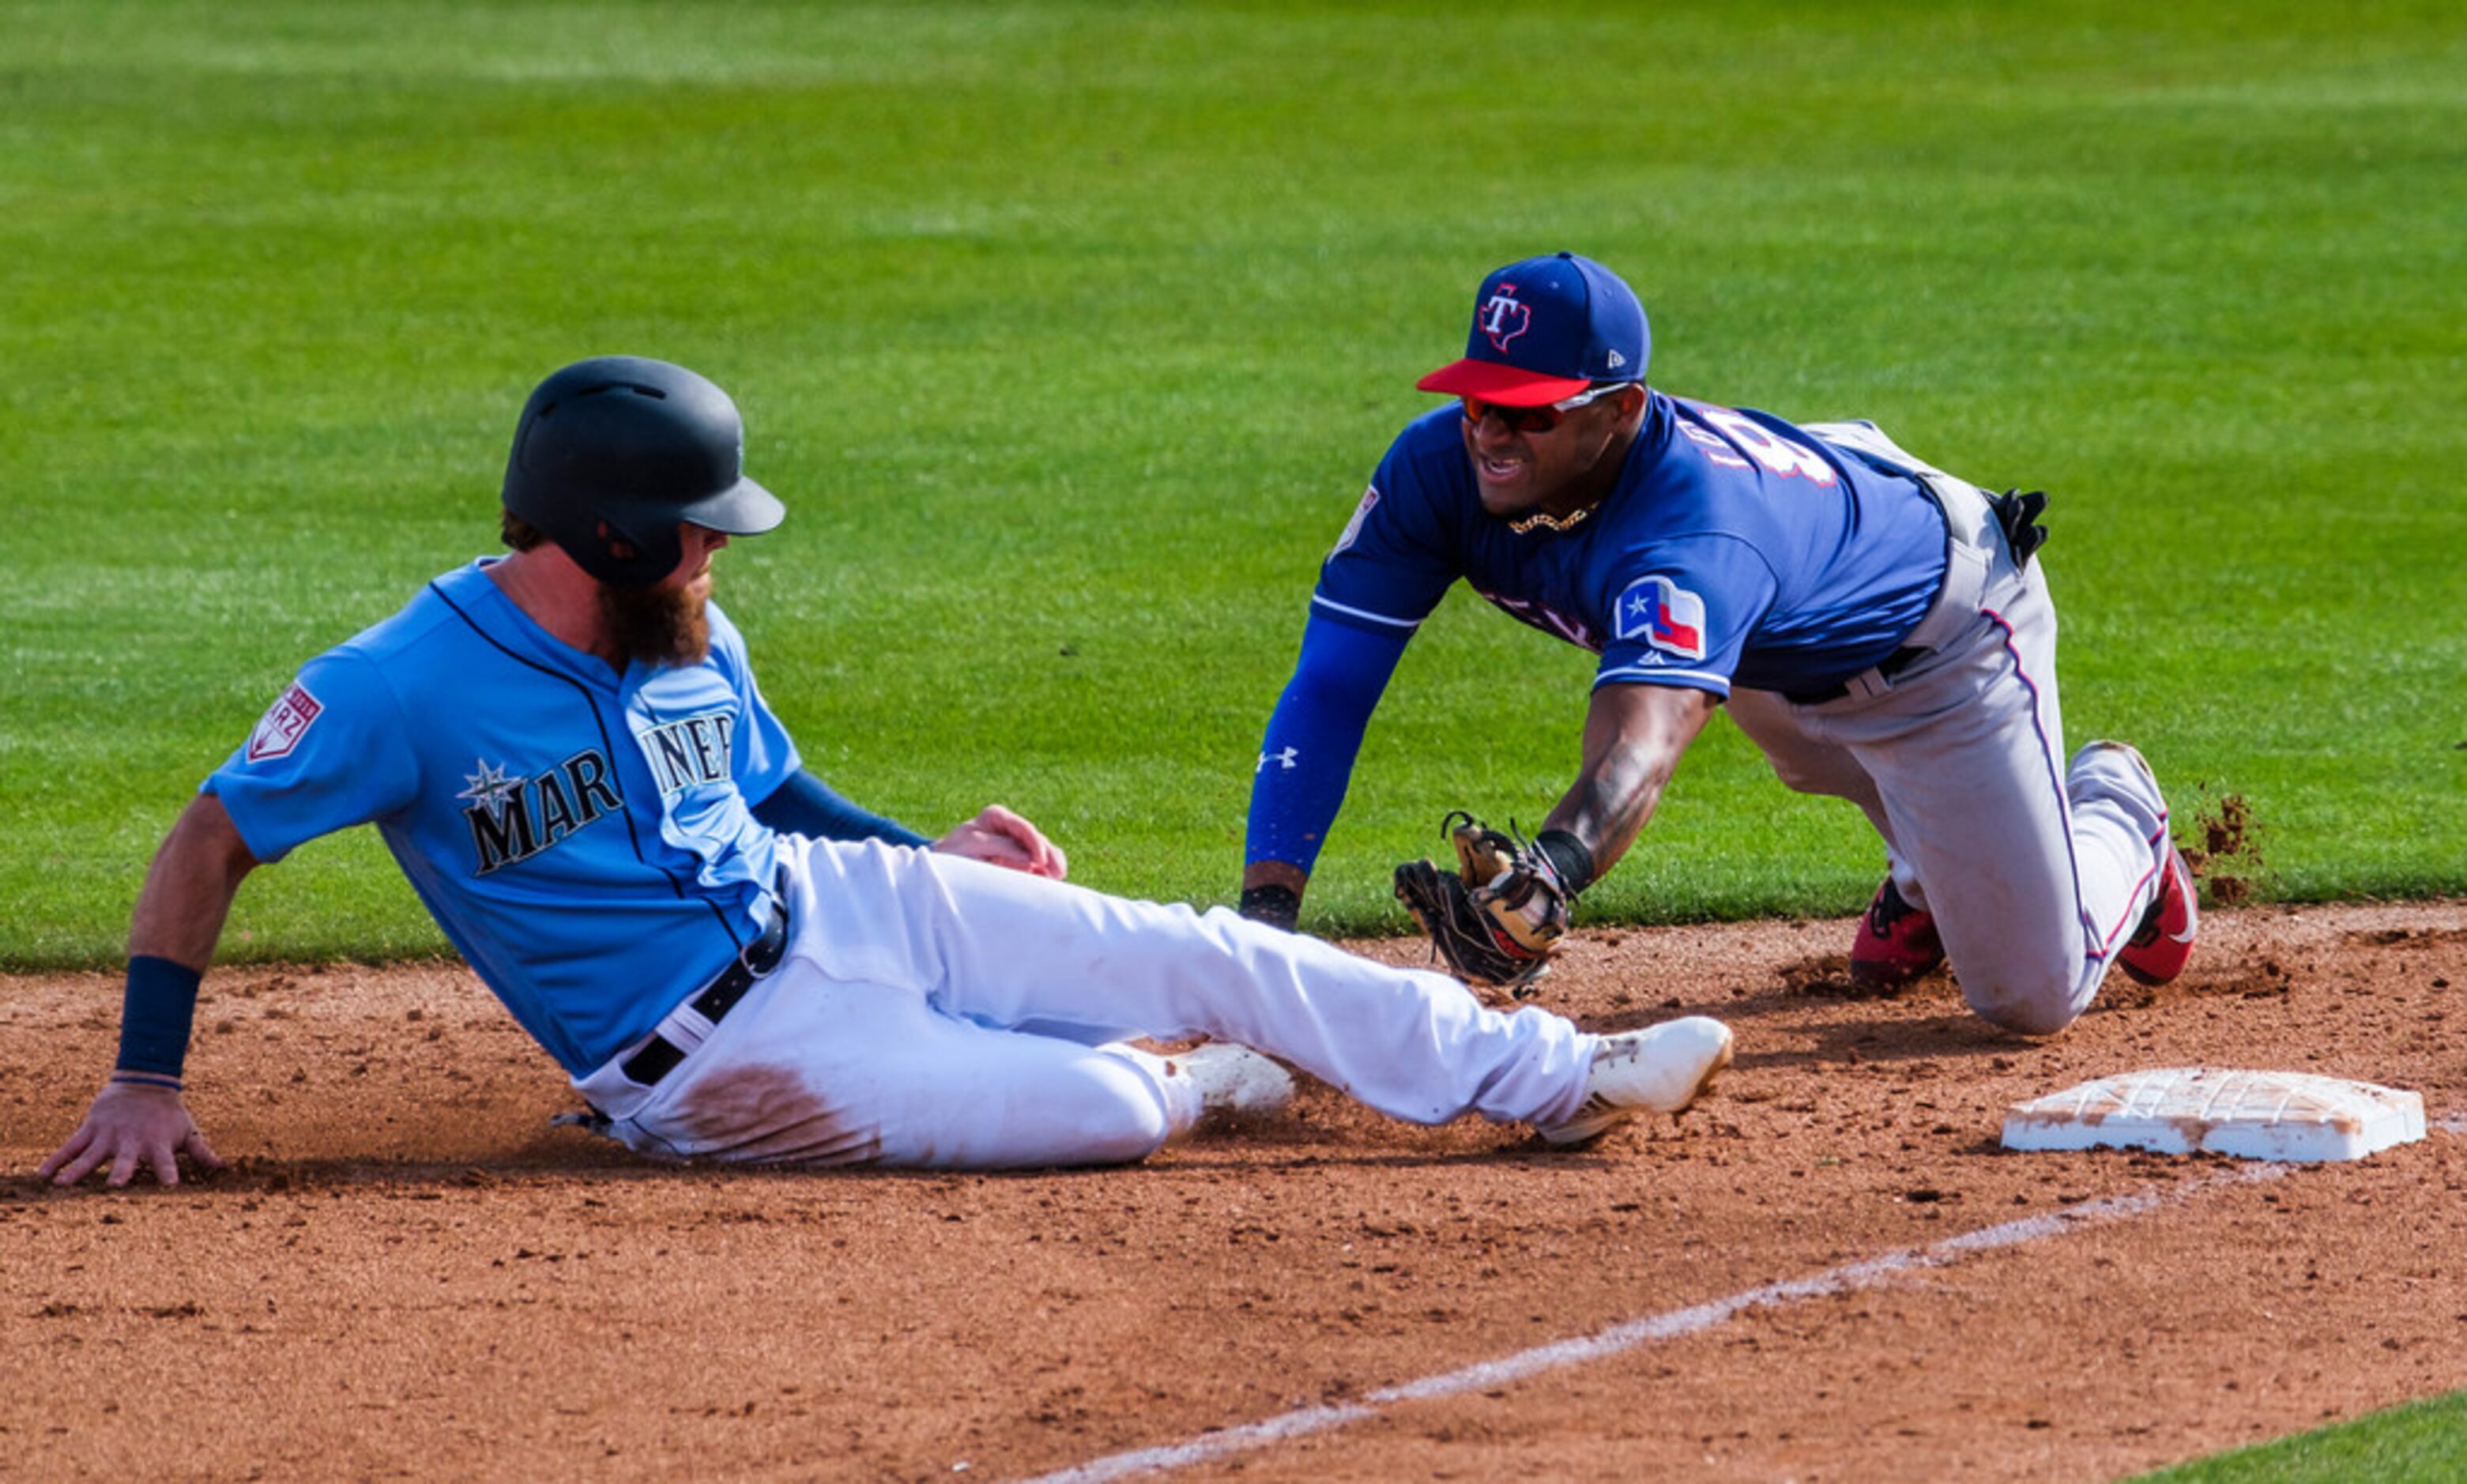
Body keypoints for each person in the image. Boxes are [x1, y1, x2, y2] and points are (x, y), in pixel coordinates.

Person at [41, 356, 1734, 1188]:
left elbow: (770, 798)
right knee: (1097, 1115)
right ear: (615, 530)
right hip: (706, 1065)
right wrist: (142, 1079)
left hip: (829, 902)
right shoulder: (398, 689)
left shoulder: (680, 628)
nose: (720, 553)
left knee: (1203, 944)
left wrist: (916, 855)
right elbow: (211, 835)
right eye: (701, 529)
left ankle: (1547, 1076)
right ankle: (1181, 1079)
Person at [1237, 253, 2198, 1036]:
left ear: (1619, 408)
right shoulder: (1432, 469)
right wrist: (1264, 926)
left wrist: (1551, 874)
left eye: (1529, 412)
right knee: (1801, 739)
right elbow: (1330, 689)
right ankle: (1932, 874)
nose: (1489, 431)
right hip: (1792, 599)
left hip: (1939, 636)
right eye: (1476, 400)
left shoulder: (1696, 537)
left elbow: (1641, 746)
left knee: (2029, 994)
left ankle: (2116, 813)